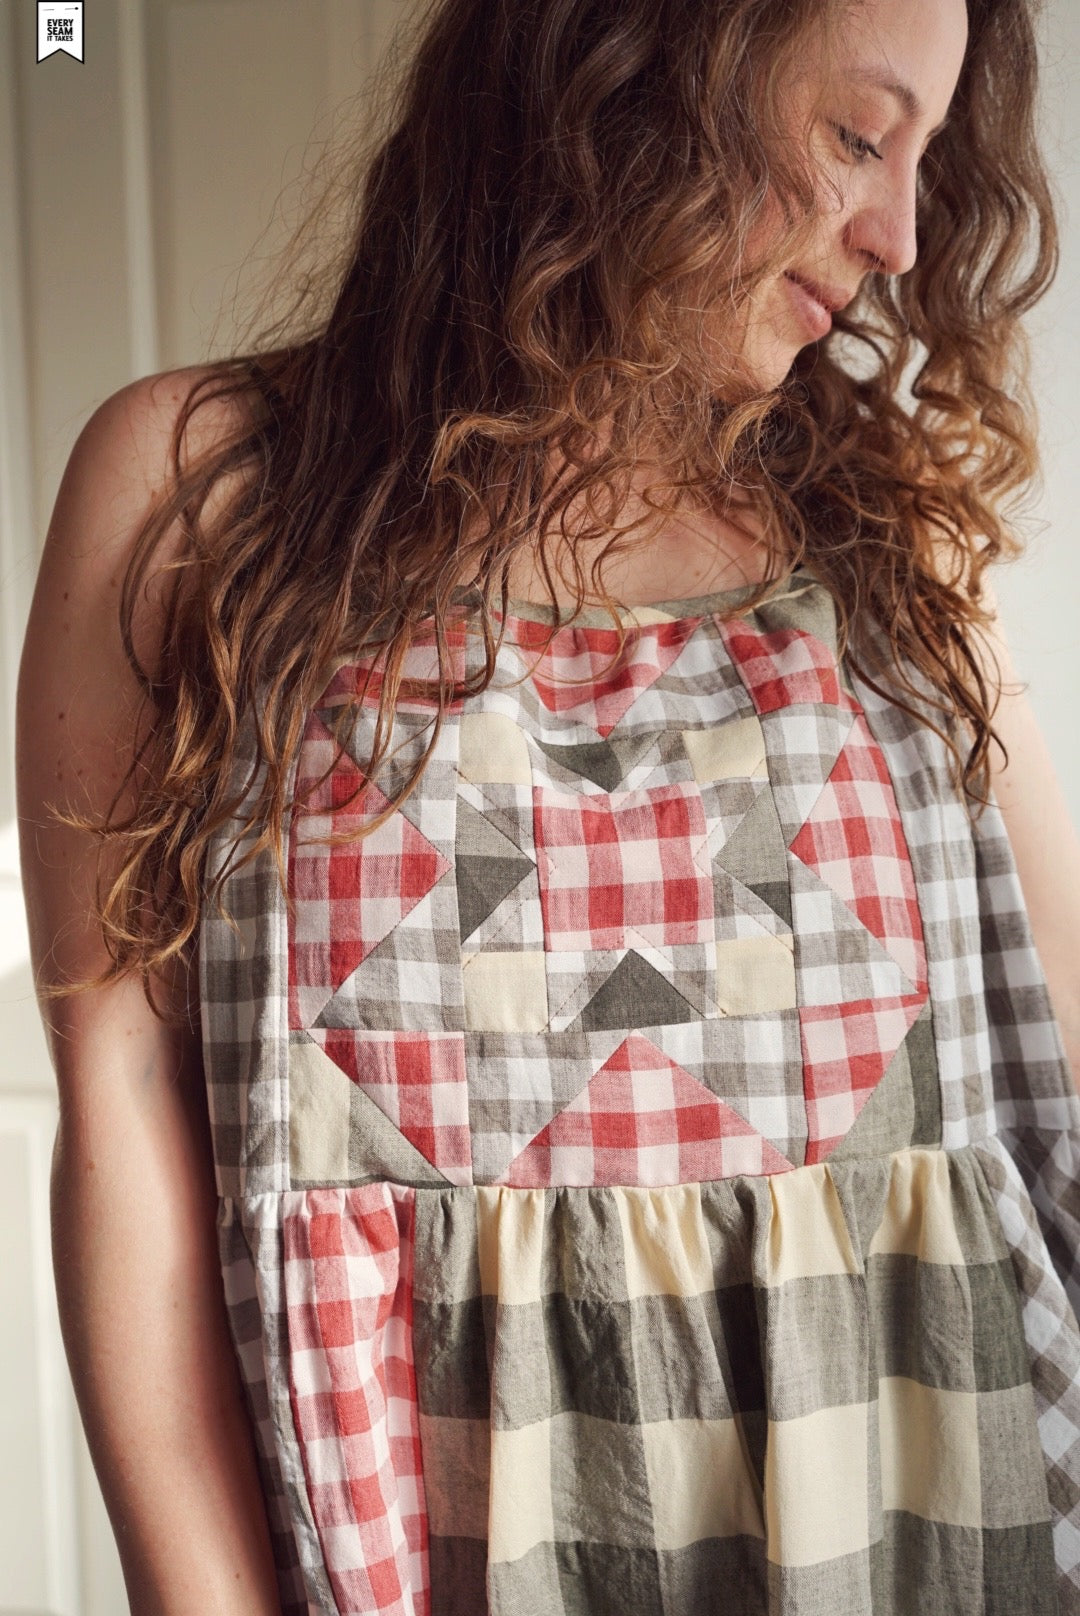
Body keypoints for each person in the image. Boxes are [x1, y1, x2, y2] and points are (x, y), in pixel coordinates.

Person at [16, 0, 1080, 1610]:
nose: (901, 236)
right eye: (859, 137)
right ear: (639, 67)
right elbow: (126, 1114)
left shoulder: (893, 543)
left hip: (913, 1526)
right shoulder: (198, 494)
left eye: (927, 162)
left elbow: (1052, 1056)